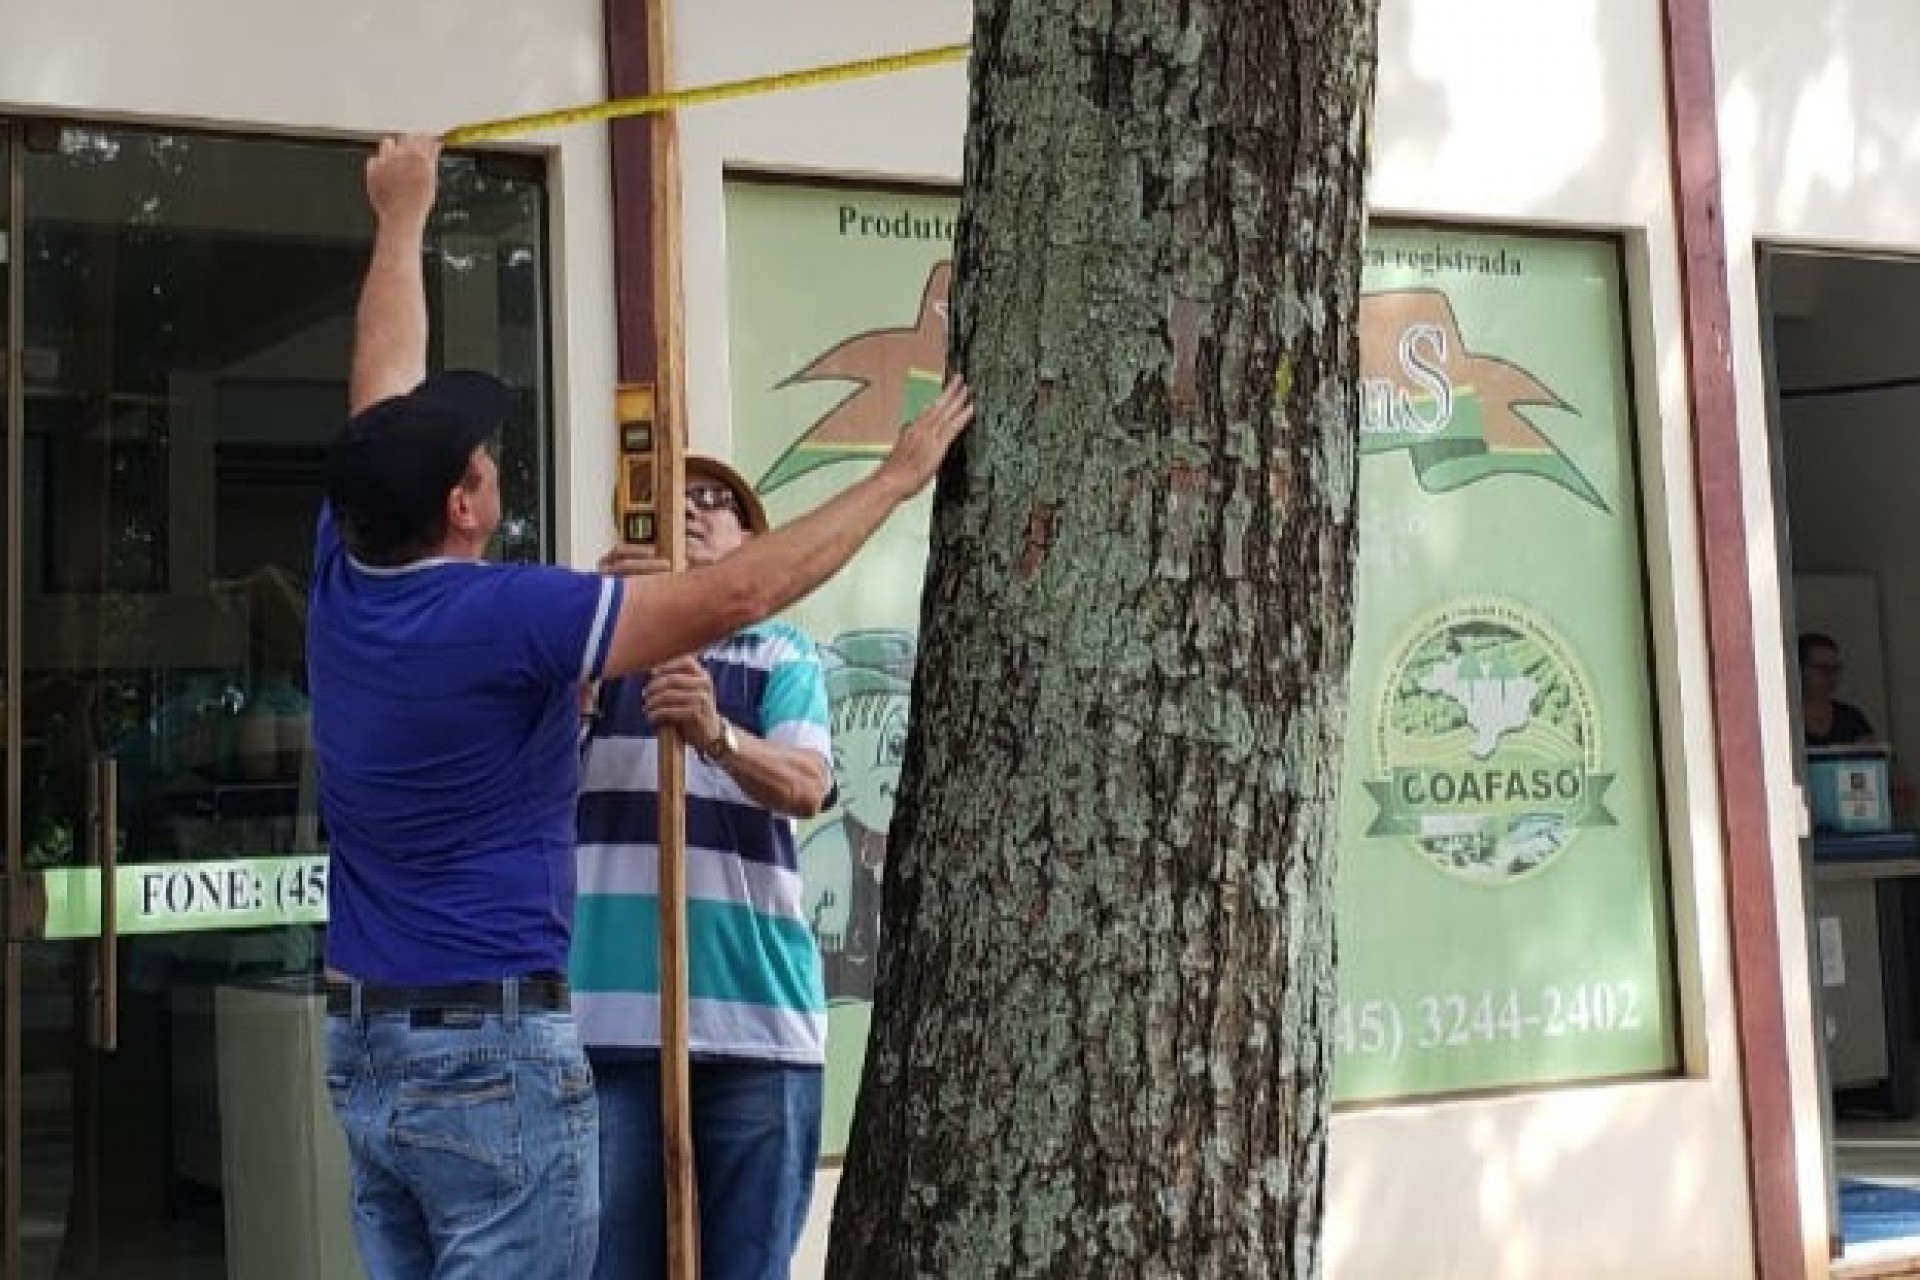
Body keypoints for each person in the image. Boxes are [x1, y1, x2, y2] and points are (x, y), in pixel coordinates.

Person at [310, 133, 972, 1280]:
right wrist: (895, 478)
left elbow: (381, 391)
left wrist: (402, 216)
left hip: (369, 1044)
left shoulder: (345, 574)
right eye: (484, 458)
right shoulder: (508, 615)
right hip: (490, 1055)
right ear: (464, 505)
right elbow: (743, 588)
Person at [574, 456, 837, 1279]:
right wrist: (587, 660)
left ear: (754, 541)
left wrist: (715, 734)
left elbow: (808, 783)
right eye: (666, 500)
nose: (690, 511)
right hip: (612, 1028)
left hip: (756, 1026)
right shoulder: (588, 654)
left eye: (716, 501)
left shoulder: (779, 653)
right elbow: (519, 790)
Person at [1800, 631, 1876, 747]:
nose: (1830, 675)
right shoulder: (1784, 720)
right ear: (1799, 670)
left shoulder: (1852, 719)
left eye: (1835, 669)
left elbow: (1868, 760)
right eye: (1821, 668)